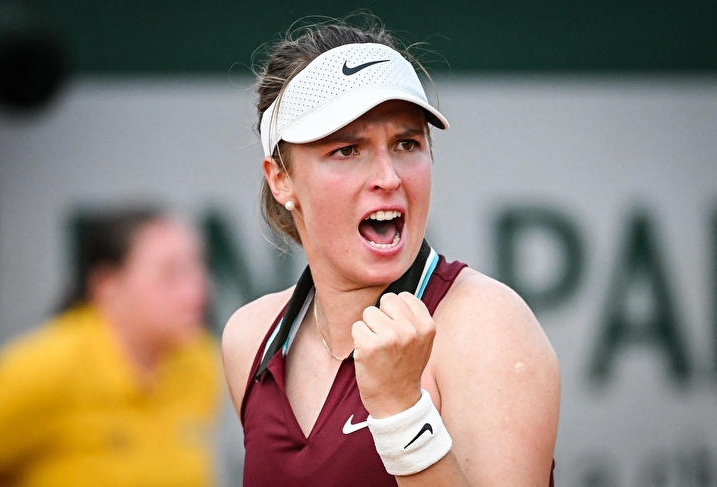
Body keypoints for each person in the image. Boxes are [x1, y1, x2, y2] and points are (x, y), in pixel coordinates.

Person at [221, 16, 560, 487]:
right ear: (281, 180)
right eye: (347, 150)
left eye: (406, 143)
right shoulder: (249, 338)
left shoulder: (489, 327)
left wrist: (402, 411)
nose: (389, 177)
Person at [0, 207, 222, 487]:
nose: (196, 291)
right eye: (169, 274)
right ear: (107, 285)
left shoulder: (201, 361)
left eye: (197, 268)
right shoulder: (43, 368)